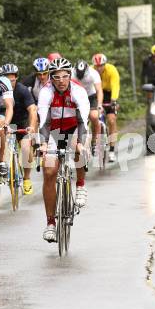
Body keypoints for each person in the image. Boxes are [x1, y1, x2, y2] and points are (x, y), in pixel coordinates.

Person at [37, 58, 90, 242]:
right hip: (53, 132)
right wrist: (43, 144)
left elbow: (83, 121)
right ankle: (51, 223)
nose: (61, 80)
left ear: (70, 76)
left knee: (77, 148)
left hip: (75, 128)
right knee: (49, 170)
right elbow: (43, 121)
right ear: (51, 78)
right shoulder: (46, 92)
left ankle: (81, 185)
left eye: (65, 76)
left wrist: (81, 143)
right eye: (56, 77)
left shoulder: (78, 91)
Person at [0, 63, 37, 195]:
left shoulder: (22, 90)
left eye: (12, 80)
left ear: (16, 78)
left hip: (21, 122)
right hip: (4, 121)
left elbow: (32, 109)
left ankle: (26, 178)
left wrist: (31, 126)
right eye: (6, 80)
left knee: (26, 147)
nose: (9, 82)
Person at [92, 53, 119, 163]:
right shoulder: (90, 71)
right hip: (95, 93)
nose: (99, 68)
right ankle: (94, 142)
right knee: (93, 118)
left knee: (112, 120)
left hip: (108, 94)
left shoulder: (111, 70)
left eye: (101, 65)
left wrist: (114, 100)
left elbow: (115, 86)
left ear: (105, 64)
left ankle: (112, 150)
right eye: (97, 66)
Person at [73, 59, 103, 156]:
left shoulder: (93, 73)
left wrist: (99, 105)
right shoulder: (71, 73)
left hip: (91, 96)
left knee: (94, 117)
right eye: (79, 75)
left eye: (82, 75)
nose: (80, 77)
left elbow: (99, 90)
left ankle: (95, 141)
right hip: (77, 97)